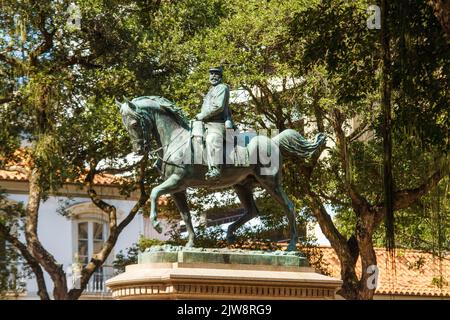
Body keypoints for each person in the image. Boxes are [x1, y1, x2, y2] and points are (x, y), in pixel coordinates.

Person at [195, 66, 234, 180]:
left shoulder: (222, 88)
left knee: (211, 139)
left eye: (216, 74)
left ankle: (215, 169)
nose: (213, 76)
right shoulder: (211, 90)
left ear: (221, 77)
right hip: (206, 123)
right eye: (211, 74)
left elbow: (218, 107)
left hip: (218, 124)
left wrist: (202, 115)